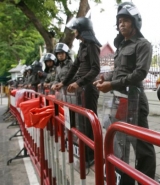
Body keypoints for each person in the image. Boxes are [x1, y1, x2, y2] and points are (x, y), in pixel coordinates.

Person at [94, 2, 156, 184]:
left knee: (142, 144)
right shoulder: (121, 46)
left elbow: (139, 74)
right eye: (119, 21)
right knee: (120, 140)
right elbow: (118, 71)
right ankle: (124, 177)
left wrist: (112, 84)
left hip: (135, 99)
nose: (121, 24)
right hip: (119, 101)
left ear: (135, 22)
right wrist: (105, 78)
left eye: (126, 21)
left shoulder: (143, 45)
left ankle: (146, 179)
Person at [54, 16, 101, 167]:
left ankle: (92, 155)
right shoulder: (82, 46)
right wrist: (63, 82)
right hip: (80, 88)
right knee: (82, 122)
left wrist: (78, 82)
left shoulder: (92, 45)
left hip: (89, 88)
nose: (74, 32)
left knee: (89, 122)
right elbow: (74, 67)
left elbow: (95, 69)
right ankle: (86, 152)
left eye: (76, 29)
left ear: (82, 30)